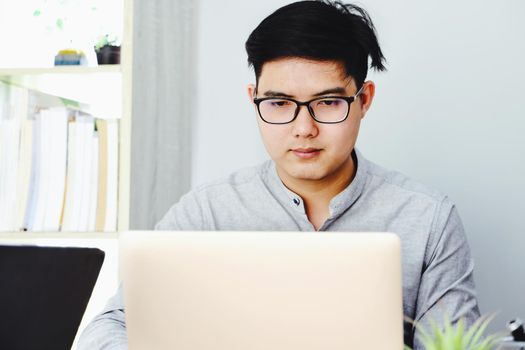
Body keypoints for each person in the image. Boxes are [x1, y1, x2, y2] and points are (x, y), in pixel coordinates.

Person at [78, 1, 480, 349]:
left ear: (364, 100)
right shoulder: (207, 213)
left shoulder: (428, 219)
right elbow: (108, 327)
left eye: (327, 102)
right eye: (279, 103)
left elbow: (456, 346)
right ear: (253, 99)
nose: (303, 128)